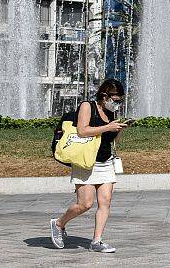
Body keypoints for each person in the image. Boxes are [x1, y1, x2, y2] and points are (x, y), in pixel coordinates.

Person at [50, 79, 128, 253]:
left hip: (105, 161)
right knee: (85, 204)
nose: (117, 104)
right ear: (104, 95)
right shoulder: (87, 106)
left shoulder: (110, 113)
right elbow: (82, 130)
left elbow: (111, 140)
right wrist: (107, 127)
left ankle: (97, 241)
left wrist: (119, 129)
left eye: (119, 101)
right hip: (86, 161)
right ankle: (59, 223)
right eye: (115, 100)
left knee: (105, 201)